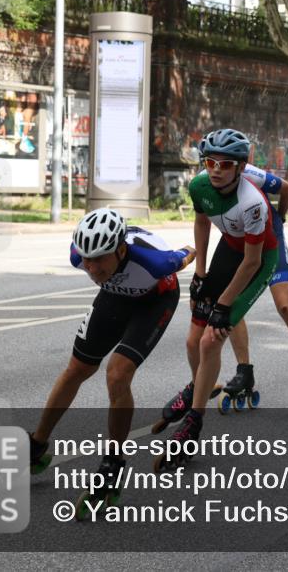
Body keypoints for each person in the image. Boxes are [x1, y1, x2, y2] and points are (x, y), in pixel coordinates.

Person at [27, 209, 193, 515]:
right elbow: (92, 261)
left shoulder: (155, 263)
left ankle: (114, 462)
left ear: (120, 250)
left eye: (99, 259)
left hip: (155, 300)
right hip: (115, 295)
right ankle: (37, 444)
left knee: (117, 373)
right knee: (76, 369)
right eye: (87, 260)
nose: (91, 268)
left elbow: (189, 252)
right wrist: (98, 263)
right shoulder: (79, 257)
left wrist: (195, 260)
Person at [153, 161, 288, 421]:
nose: (216, 168)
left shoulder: (249, 174)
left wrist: (280, 219)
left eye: (223, 161)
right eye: (209, 161)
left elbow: (286, 188)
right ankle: (244, 371)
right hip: (237, 242)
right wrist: (200, 272)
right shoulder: (207, 182)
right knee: (230, 301)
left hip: (268, 241)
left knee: (285, 306)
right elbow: (202, 221)